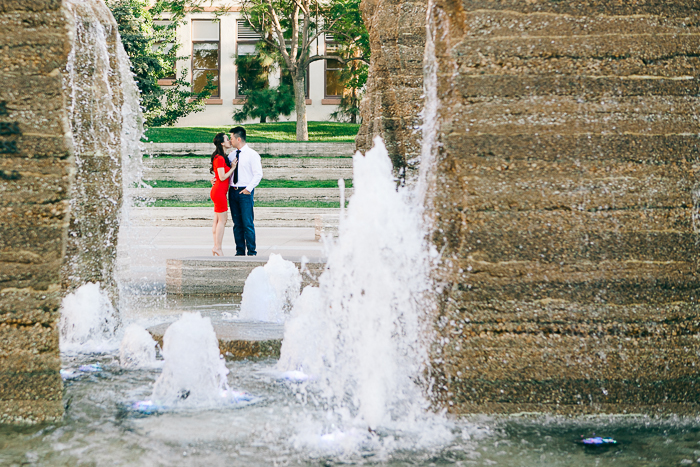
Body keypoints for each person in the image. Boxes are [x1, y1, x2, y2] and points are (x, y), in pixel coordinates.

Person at [226, 126, 263, 256]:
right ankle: (240, 251)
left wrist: (248, 189)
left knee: (247, 223)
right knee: (237, 224)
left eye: (231, 138)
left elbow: (258, 174)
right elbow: (226, 171)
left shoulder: (252, 155)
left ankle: (252, 251)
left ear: (239, 138)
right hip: (233, 192)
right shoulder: (231, 155)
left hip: (245, 191)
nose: (230, 141)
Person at [209, 133, 236, 256]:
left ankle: (216, 247)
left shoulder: (221, 157)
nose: (229, 141)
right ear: (221, 143)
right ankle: (218, 247)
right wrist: (233, 168)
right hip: (219, 192)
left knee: (217, 220)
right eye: (226, 139)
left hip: (218, 191)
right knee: (222, 221)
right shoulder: (219, 158)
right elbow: (222, 176)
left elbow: (217, 176)